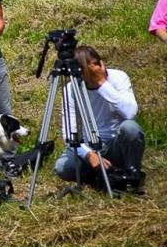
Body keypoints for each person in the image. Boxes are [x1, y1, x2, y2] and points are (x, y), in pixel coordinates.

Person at [53, 46, 144, 189]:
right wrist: (89, 155)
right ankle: (98, 176)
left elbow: (130, 112)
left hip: (115, 143)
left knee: (131, 128)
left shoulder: (119, 77)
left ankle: (132, 175)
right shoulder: (71, 89)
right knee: (63, 167)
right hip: (90, 146)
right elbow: (69, 133)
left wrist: (102, 84)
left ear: (101, 64)